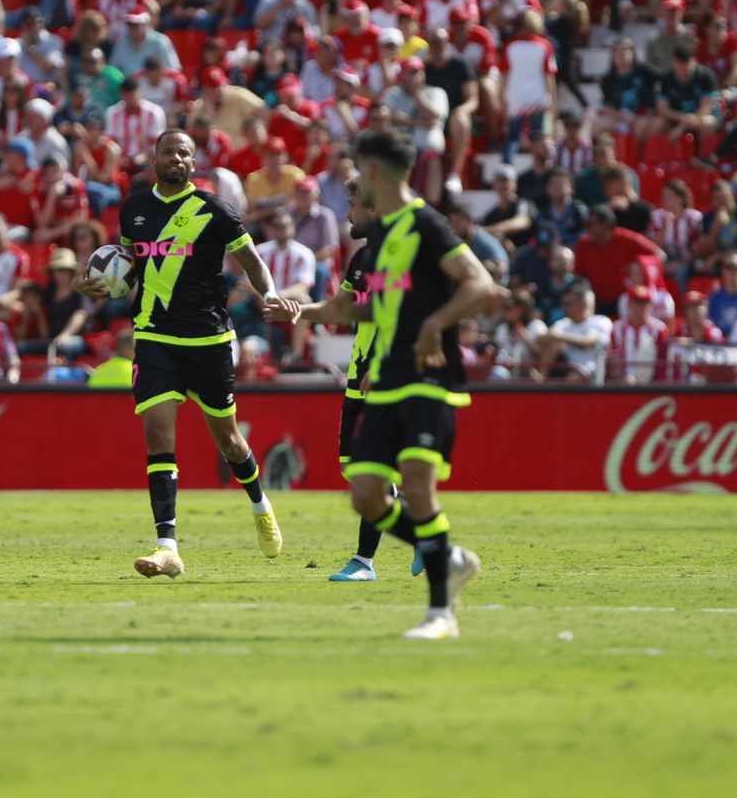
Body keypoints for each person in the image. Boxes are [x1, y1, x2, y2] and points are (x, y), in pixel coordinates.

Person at [73, 128, 300, 579]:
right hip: (155, 337)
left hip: (208, 340)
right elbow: (124, 267)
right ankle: (167, 546)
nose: (176, 157)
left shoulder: (213, 209)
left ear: (193, 162)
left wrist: (270, 295)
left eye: (184, 152)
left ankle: (260, 505)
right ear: (154, 157)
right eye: (168, 151)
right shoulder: (135, 208)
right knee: (158, 436)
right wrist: (89, 284)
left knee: (229, 441)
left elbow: (252, 262)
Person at [331, 128, 490, 638]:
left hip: (427, 376)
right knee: (366, 495)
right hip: (385, 376)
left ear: (375, 173)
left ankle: (440, 612)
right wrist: (309, 312)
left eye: (360, 171)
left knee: (418, 489)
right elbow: (372, 306)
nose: (354, 184)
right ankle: (443, 553)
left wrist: (431, 326)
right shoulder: (381, 239)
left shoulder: (424, 224)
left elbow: (480, 282)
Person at [270, 177, 389, 580]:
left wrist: (381, 362)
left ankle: (364, 561)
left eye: (352, 203)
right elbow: (342, 310)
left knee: (370, 473)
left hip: (385, 373)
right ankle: (415, 524)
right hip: (361, 374)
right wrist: (301, 312)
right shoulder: (362, 258)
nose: (346, 212)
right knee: (353, 469)